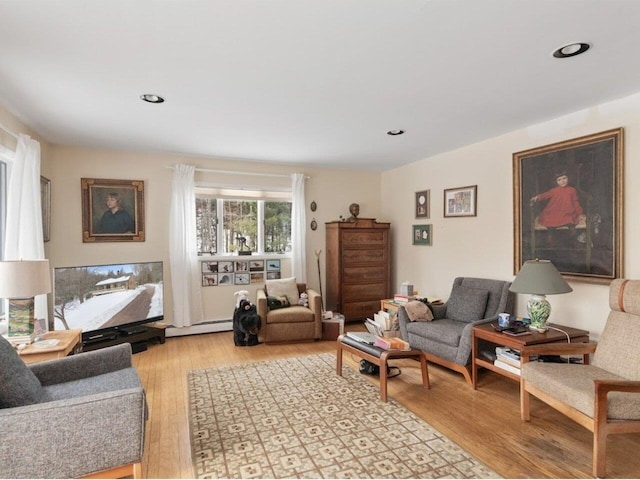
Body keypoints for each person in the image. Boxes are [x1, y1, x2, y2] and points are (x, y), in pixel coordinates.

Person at [530, 171, 584, 239]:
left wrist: (580, 213)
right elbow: (545, 195)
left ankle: (573, 233)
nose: (562, 181)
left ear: (568, 178)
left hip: (567, 212)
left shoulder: (572, 190)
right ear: (556, 182)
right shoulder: (554, 190)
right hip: (554, 211)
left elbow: (575, 202)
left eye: (564, 178)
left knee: (570, 220)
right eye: (559, 180)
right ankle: (550, 235)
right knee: (550, 220)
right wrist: (537, 197)